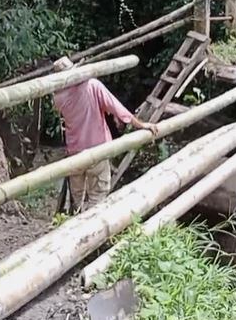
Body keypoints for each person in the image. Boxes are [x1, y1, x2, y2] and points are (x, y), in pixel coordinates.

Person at [51, 57, 157, 213]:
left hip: (74, 151)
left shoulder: (58, 98)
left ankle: (74, 221)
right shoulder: (93, 86)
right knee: (98, 194)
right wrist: (140, 125)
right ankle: (90, 227)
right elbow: (117, 108)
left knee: (76, 197)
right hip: (98, 148)